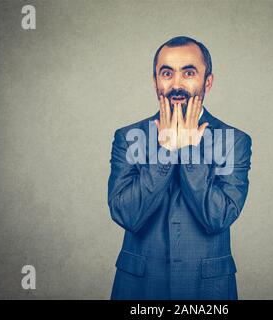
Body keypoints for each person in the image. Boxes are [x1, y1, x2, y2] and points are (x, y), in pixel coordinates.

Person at [107, 36, 252, 299]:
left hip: (207, 290)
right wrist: (165, 152)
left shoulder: (234, 140)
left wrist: (186, 151)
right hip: (138, 289)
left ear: (208, 81)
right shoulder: (128, 136)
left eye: (188, 73)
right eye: (166, 73)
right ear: (155, 81)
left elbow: (217, 217)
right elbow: (126, 215)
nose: (176, 84)